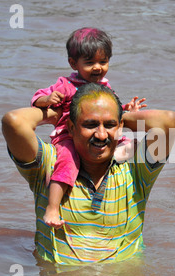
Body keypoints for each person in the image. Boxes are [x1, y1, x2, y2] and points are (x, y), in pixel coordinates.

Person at [2, 83, 175, 265]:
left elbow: (167, 121)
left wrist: (120, 116)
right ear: (71, 128)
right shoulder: (49, 166)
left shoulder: (136, 172)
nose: (101, 135)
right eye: (90, 124)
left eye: (110, 125)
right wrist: (57, 116)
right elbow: (14, 122)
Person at [32, 27, 147, 229]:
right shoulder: (66, 85)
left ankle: (116, 159)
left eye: (103, 62)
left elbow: (106, 112)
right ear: (73, 63)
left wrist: (126, 110)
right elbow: (36, 98)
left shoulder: (104, 86)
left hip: (95, 135)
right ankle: (52, 207)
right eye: (90, 63)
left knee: (131, 144)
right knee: (67, 162)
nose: (97, 68)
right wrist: (47, 100)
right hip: (69, 135)